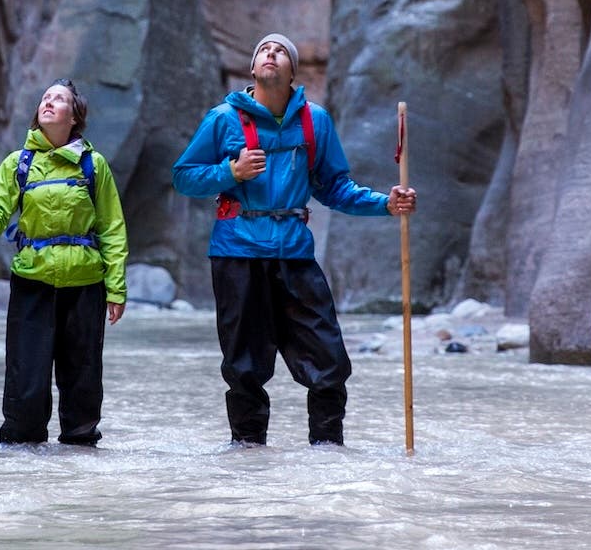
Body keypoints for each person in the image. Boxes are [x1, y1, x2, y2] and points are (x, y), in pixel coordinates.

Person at [172, 34, 416, 446]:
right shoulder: (222, 118)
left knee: (329, 359)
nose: (271, 53)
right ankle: (248, 459)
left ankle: (327, 454)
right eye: (263, 49)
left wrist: (386, 204)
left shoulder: (314, 121)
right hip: (237, 253)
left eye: (280, 50)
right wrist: (230, 173)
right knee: (245, 364)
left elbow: (335, 187)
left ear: (292, 71)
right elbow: (184, 176)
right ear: (252, 69)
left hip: (295, 253)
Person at [0, 79, 129, 446]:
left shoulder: (93, 165)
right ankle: (22, 459)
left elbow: (112, 229)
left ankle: (80, 453)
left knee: (82, 378)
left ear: (74, 117)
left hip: (85, 283)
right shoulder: (18, 164)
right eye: (45, 98)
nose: (49, 102)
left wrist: (116, 289)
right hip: (32, 282)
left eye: (60, 99)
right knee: (27, 379)